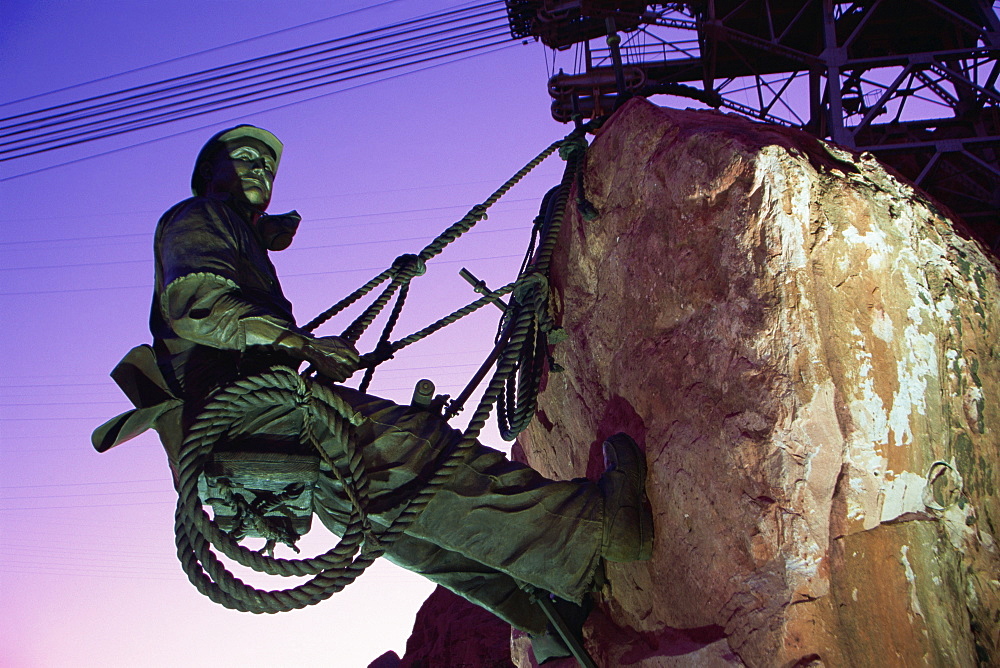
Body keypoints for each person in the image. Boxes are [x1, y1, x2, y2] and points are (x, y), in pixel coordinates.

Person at [93, 125, 652, 653]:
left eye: (266, 165)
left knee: (398, 522)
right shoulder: (200, 216)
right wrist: (305, 347)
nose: (259, 169)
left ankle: (546, 621)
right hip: (256, 415)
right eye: (243, 159)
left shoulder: (231, 227)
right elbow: (199, 306)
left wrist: (289, 324)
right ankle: (603, 529)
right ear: (208, 176)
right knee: (421, 452)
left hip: (244, 429)